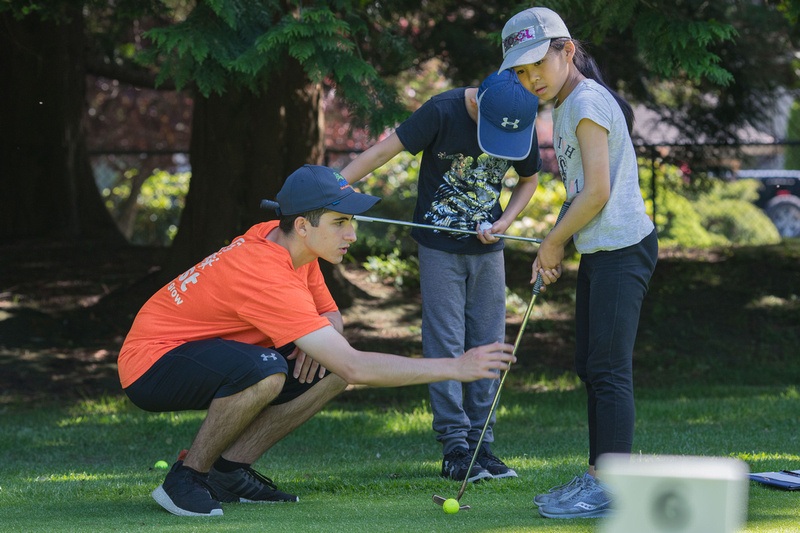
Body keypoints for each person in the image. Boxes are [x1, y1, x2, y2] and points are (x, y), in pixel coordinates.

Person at [117, 164, 516, 518]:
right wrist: (457, 366)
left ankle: (228, 472)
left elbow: (331, 316)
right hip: (151, 365)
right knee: (269, 371)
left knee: (330, 373)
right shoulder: (265, 270)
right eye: (340, 222)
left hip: (196, 352)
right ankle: (187, 478)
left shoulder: (288, 243)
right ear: (304, 226)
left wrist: (321, 347)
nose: (352, 234)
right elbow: (355, 365)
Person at [339, 70, 542, 483]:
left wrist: (504, 221)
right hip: (439, 249)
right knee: (446, 343)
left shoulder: (518, 116)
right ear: (475, 105)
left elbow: (529, 178)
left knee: (490, 343)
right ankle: (455, 447)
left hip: (488, 250)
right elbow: (384, 152)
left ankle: (482, 446)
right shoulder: (442, 110)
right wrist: (332, 186)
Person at [498, 6, 659, 519]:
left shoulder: (587, 101)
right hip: (600, 248)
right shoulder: (566, 103)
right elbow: (580, 193)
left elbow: (597, 193)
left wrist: (552, 242)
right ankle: (597, 474)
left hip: (622, 249)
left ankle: (612, 484)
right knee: (590, 366)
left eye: (536, 66)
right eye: (520, 72)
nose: (530, 79)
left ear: (567, 51)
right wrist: (561, 242)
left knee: (609, 370)